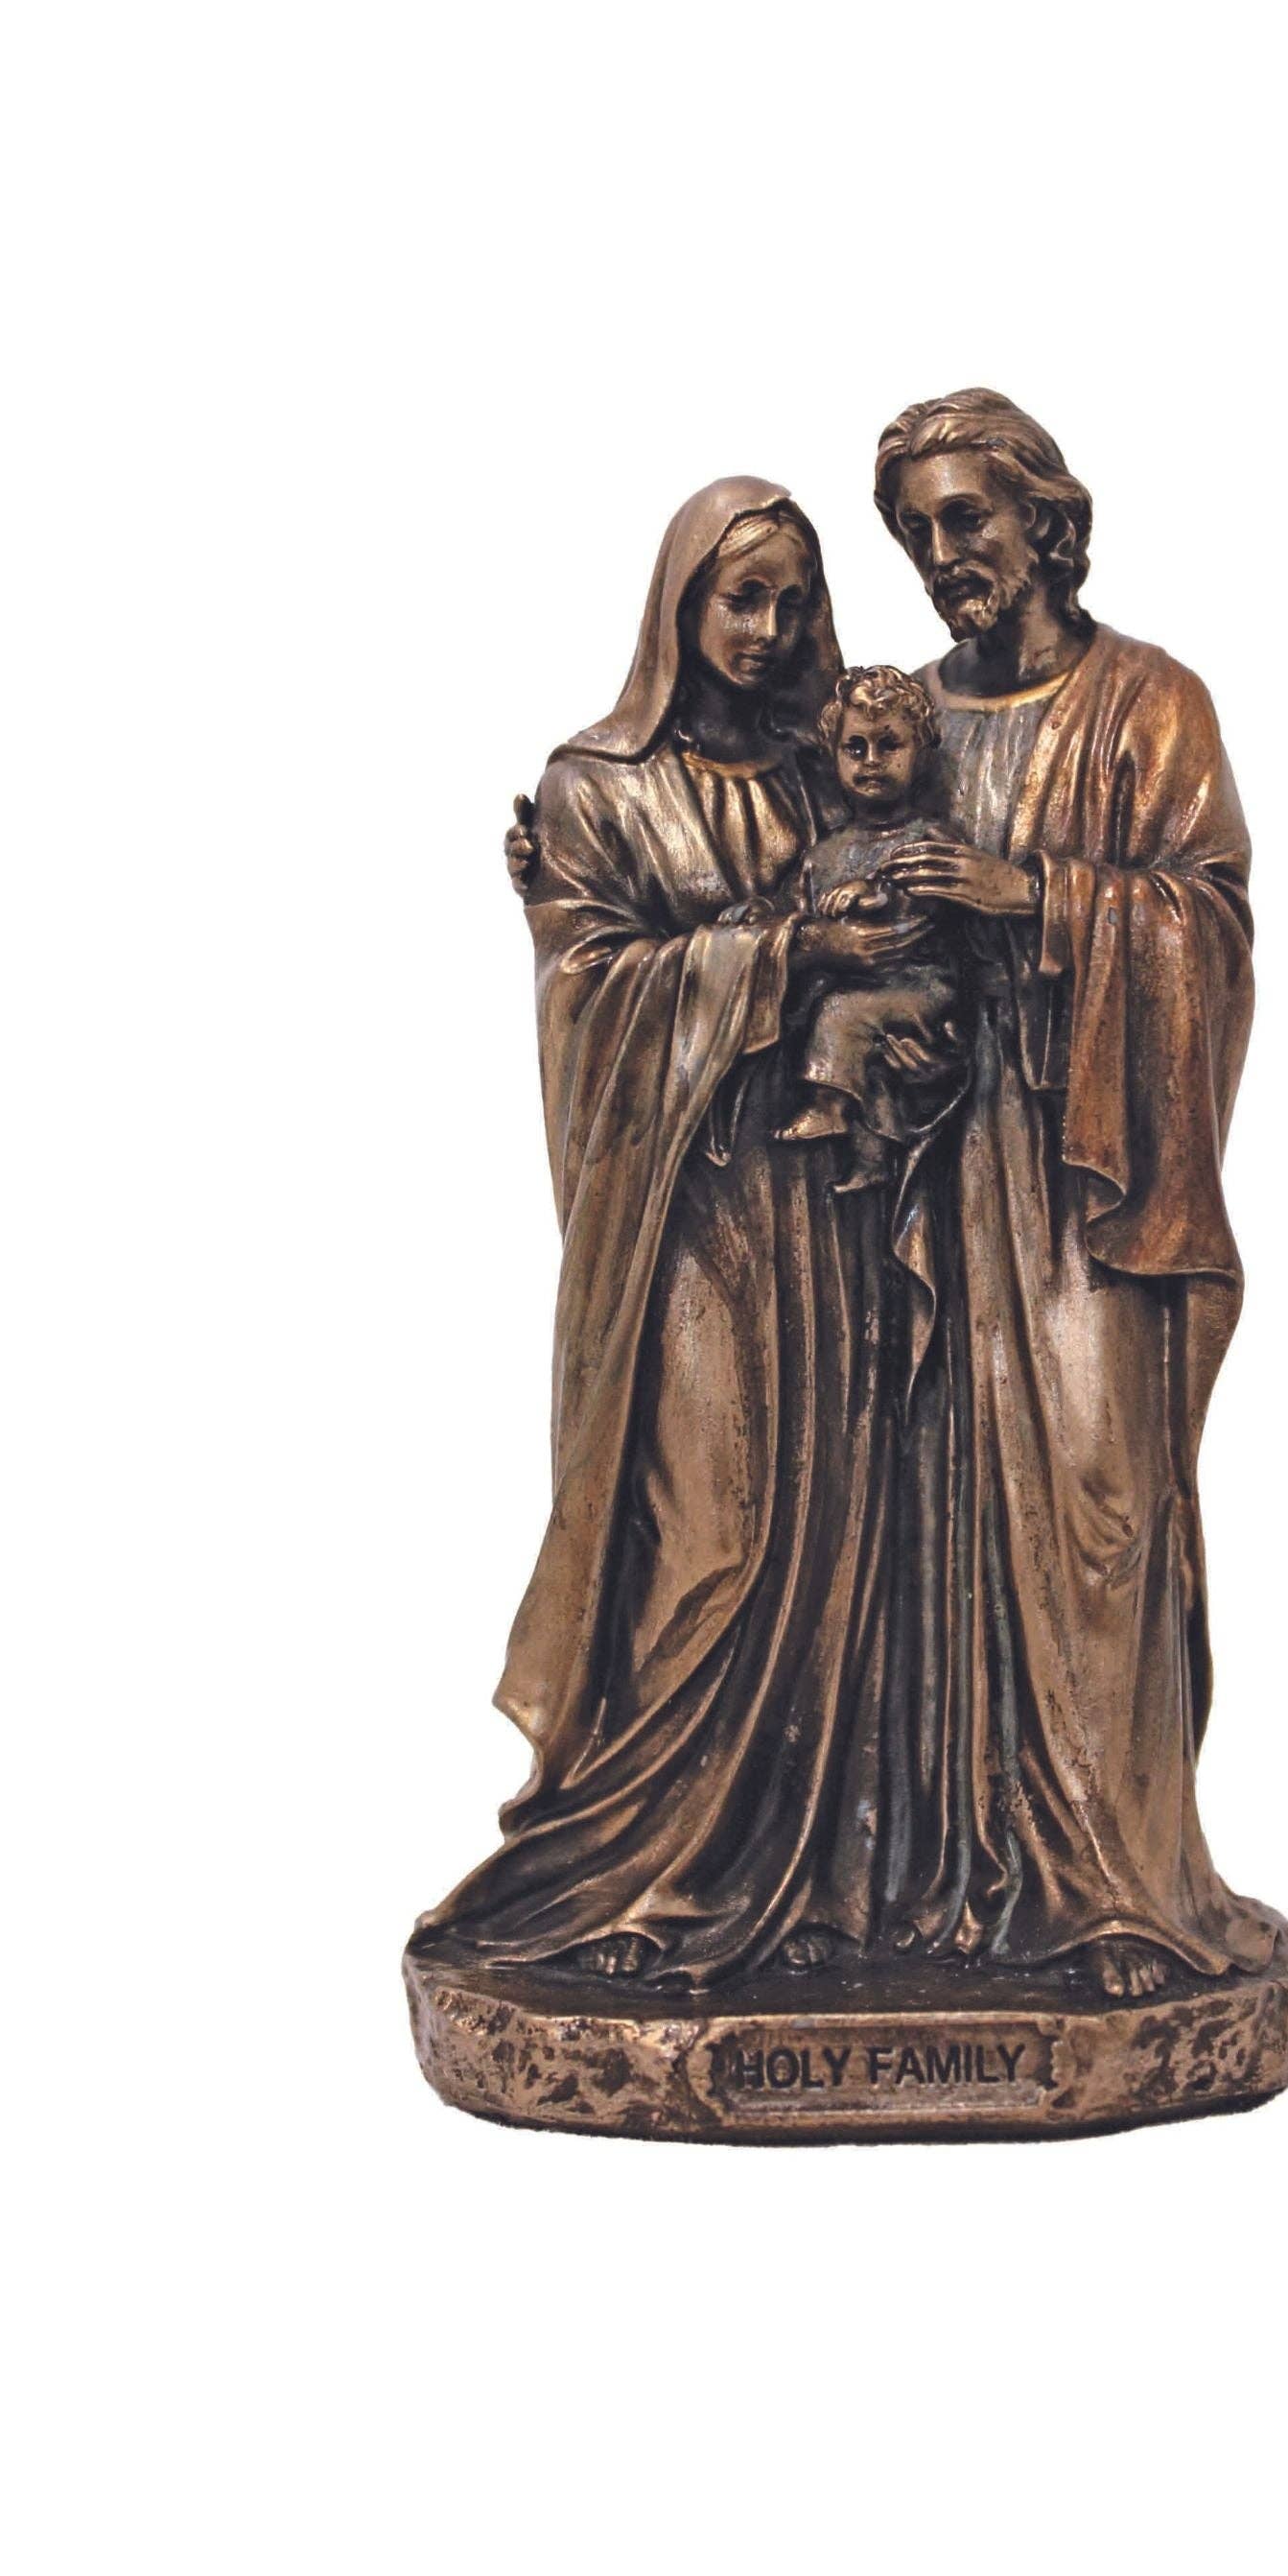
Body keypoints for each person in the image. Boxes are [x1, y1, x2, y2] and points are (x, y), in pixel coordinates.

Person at [411, 479, 934, 1986]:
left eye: (790, 601)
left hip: (831, 1208)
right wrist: (788, 951)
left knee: (843, 1528)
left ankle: (824, 1882)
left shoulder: (833, 767)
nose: (766, 630)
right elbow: (592, 994)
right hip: (689, 1218)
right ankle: (650, 1870)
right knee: (713, 1532)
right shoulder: (599, 788)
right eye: (738, 598)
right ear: (680, 602)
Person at [868, 390, 1285, 1998]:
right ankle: (944, 1887)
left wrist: (1031, 899)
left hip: (1092, 1189)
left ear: (1047, 521)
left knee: (1101, 1509)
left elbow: (1211, 928)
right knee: (930, 1521)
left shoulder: (1150, 706)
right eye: (916, 530)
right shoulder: (892, 713)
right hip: (921, 1186)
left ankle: (1112, 1889)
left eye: (966, 518)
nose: (941, 554)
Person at [770, 664, 967, 1191]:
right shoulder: (825, 853)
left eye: (889, 745)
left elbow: (931, 901)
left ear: (920, 752)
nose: (872, 761)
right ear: (833, 755)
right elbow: (796, 913)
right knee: (865, 1054)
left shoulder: (930, 839)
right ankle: (870, 1161)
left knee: (843, 1014)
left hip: (922, 989)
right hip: (863, 993)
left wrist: (874, 892)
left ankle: (829, 1107)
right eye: (855, 748)